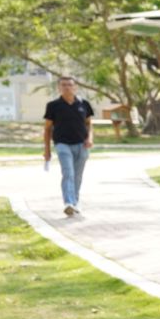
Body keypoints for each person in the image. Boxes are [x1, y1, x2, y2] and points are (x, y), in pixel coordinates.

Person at [42, 75, 93, 216]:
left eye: (70, 85)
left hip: (82, 145)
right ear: (59, 88)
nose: (67, 87)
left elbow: (89, 124)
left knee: (77, 175)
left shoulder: (84, 104)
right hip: (62, 144)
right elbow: (47, 129)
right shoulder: (53, 106)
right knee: (68, 172)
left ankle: (75, 203)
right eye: (63, 85)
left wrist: (90, 138)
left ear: (75, 87)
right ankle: (68, 202)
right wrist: (47, 151)